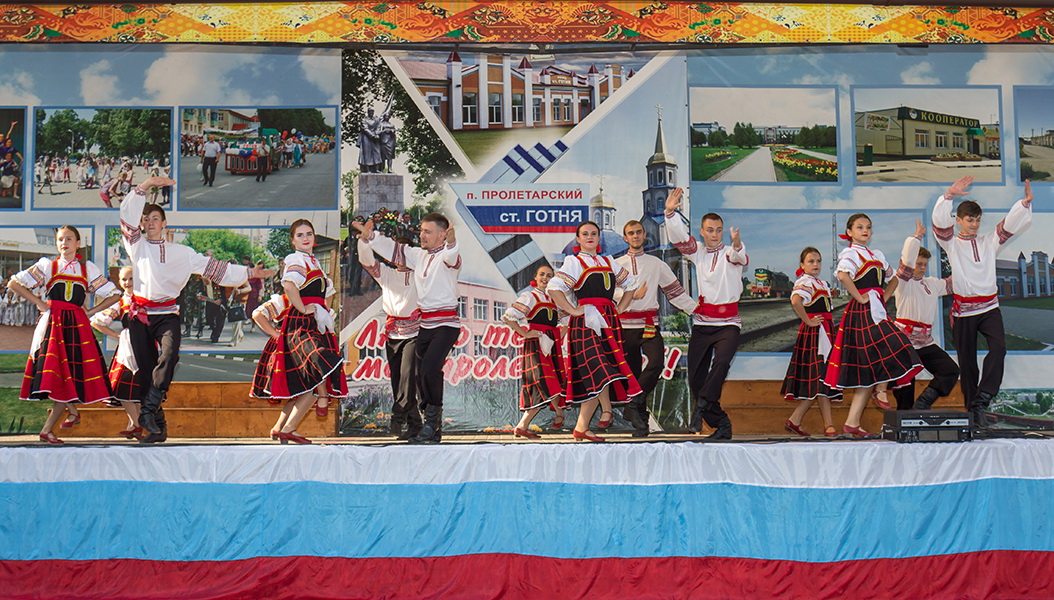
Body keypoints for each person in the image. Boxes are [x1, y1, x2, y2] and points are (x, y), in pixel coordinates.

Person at [120, 176, 272, 443]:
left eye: (155, 218)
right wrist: (145, 185)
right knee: (146, 371)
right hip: (140, 316)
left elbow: (214, 269)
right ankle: (157, 427)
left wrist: (249, 272)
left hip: (167, 314)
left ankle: (147, 410)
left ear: (164, 223)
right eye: (146, 219)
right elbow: (126, 216)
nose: (150, 223)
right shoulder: (136, 246)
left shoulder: (181, 252)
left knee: (168, 358)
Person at [933, 176, 1033, 426]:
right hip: (964, 310)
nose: (975, 224)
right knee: (967, 364)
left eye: (977, 220)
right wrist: (949, 195)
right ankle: (972, 412)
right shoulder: (951, 244)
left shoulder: (989, 241)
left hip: (989, 307)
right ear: (959, 220)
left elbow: (1009, 225)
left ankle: (983, 398)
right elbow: (939, 225)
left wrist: (1023, 203)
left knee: (999, 349)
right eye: (970, 220)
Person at [8, 226, 121, 444]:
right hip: (54, 325)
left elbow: (114, 295)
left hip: (77, 326)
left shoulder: (87, 269)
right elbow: (15, 283)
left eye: (69, 239)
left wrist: (90, 311)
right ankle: (61, 418)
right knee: (60, 372)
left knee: (69, 372)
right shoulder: (48, 266)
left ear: (78, 243)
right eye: (60, 239)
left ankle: (62, 418)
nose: (64, 243)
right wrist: (40, 303)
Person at [354, 213, 460, 444]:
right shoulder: (417, 256)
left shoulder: (447, 256)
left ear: (442, 235)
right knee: (420, 376)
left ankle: (430, 422)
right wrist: (369, 237)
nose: (421, 235)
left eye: (427, 232)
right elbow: (392, 249)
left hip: (445, 324)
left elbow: (452, 256)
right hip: (425, 326)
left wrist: (452, 242)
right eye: (421, 231)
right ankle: (430, 427)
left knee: (428, 370)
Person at [822, 213, 922, 438]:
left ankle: (852, 422)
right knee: (894, 346)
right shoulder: (850, 252)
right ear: (849, 232)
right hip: (863, 312)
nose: (865, 230)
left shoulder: (876, 254)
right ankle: (881, 389)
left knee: (870, 367)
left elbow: (894, 278)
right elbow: (842, 275)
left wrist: (884, 296)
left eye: (868, 227)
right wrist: (859, 296)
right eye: (859, 227)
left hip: (877, 308)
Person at [250, 219, 347, 444]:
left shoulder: (313, 262)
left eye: (309, 234)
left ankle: (279, 428)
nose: (306, 238)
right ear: (293, 240)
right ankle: (295, 424)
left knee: (307, 379)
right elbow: (289, 284)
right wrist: (304, 308)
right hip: (301, 324)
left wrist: (324, 311)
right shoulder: (296, 259)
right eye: (300, 235)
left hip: (311, 323)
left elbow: (329, 291)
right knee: (317, 368)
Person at [548, 221, 641, 443]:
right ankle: (585, 425)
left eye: (594, 234)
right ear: (578, 239)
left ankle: (585, 425)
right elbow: (554, 288)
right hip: (586, 322)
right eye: (585, 234)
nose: (590, 237)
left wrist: (619, 308)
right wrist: (572, 309)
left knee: (603, 369)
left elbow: (631, 285)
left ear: (599, 238)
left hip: (608, 320)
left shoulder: (608, 261)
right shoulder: (574, 261)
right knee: (599, 370)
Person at [664, 188, 746, 440]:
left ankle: (701, 406)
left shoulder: (729, 254)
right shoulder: (697, 252)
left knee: (721, 364)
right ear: (702, 231)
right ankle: (721, 423)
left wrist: (736, 243)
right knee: (695, 380)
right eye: (710, 230)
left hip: (729, 324)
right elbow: (679, 239)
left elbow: (739, 256)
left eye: (718, 230)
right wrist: (669, 212)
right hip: (702, 324)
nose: (714, 234)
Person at [615, 220, 696, 437]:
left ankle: (633, 404)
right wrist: (630, 295)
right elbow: (606, 295)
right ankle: (641, 424)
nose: (635, 236)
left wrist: (696, 309)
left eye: (639, 232)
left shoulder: (656, 263)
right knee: (631, 375)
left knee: (656, 364)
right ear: (625, 237)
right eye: (631, 233)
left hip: (650, 324)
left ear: (644, 235)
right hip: (624, 325)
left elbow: (675, 292)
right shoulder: (616, 264)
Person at [357, 230, 423, 440]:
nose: (400, 260)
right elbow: (366, 261)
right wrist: (364, 240)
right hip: (393, 332)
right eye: (397, 255)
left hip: (415, 332)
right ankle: (414, 425)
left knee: (407, 377)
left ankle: (397, 416)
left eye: (405, 255)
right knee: (398, 380)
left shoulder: (421, 276)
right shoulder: (386, 273)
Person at [889, 222, 960, 411]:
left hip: (926, 343)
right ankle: (904, 420)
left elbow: (957, 282)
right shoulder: (903, 283)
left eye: (924, 265)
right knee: (905, 385)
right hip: (905, 343)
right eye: (918, 264)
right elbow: (905, 264)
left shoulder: (932, 284)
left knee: (950, 370)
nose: (921, 267)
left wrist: (968, 261)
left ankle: (923, 403)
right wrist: (916, 238)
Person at [781, 247, 842, 437]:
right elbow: (796, 301)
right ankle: (826, 425)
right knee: (821, 377)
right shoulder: (805, 282)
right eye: (811, 261)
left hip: (823, 333)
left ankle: (798, 420)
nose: (815, 264)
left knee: (821, 378)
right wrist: (808, 320)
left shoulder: (819, 283)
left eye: (818, 261)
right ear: (802, 265)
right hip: (815, 335)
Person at [502, 265, 567, 439]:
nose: (545, 278)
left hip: (551, 345)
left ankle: (559, 414)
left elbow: (565, 320)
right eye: (542, 275)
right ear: (535, 277)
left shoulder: (554, 299)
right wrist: (524, 332)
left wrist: (558, 336)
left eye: (549, 275)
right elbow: (508, 316)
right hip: (536, 344)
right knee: (544, 382)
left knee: (554, 380)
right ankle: (522, 425)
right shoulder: (530, 296)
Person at [91, 266, 146, 439]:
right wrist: (116, 334)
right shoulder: (120, 301)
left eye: (131, 278)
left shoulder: (147, 299)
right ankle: (136, 424)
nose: (127, 283)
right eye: (124, 279)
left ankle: (133, 425)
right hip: (127, 346)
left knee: (138, 389)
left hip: (145, 345)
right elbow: (97, 322)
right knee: (120, 386)